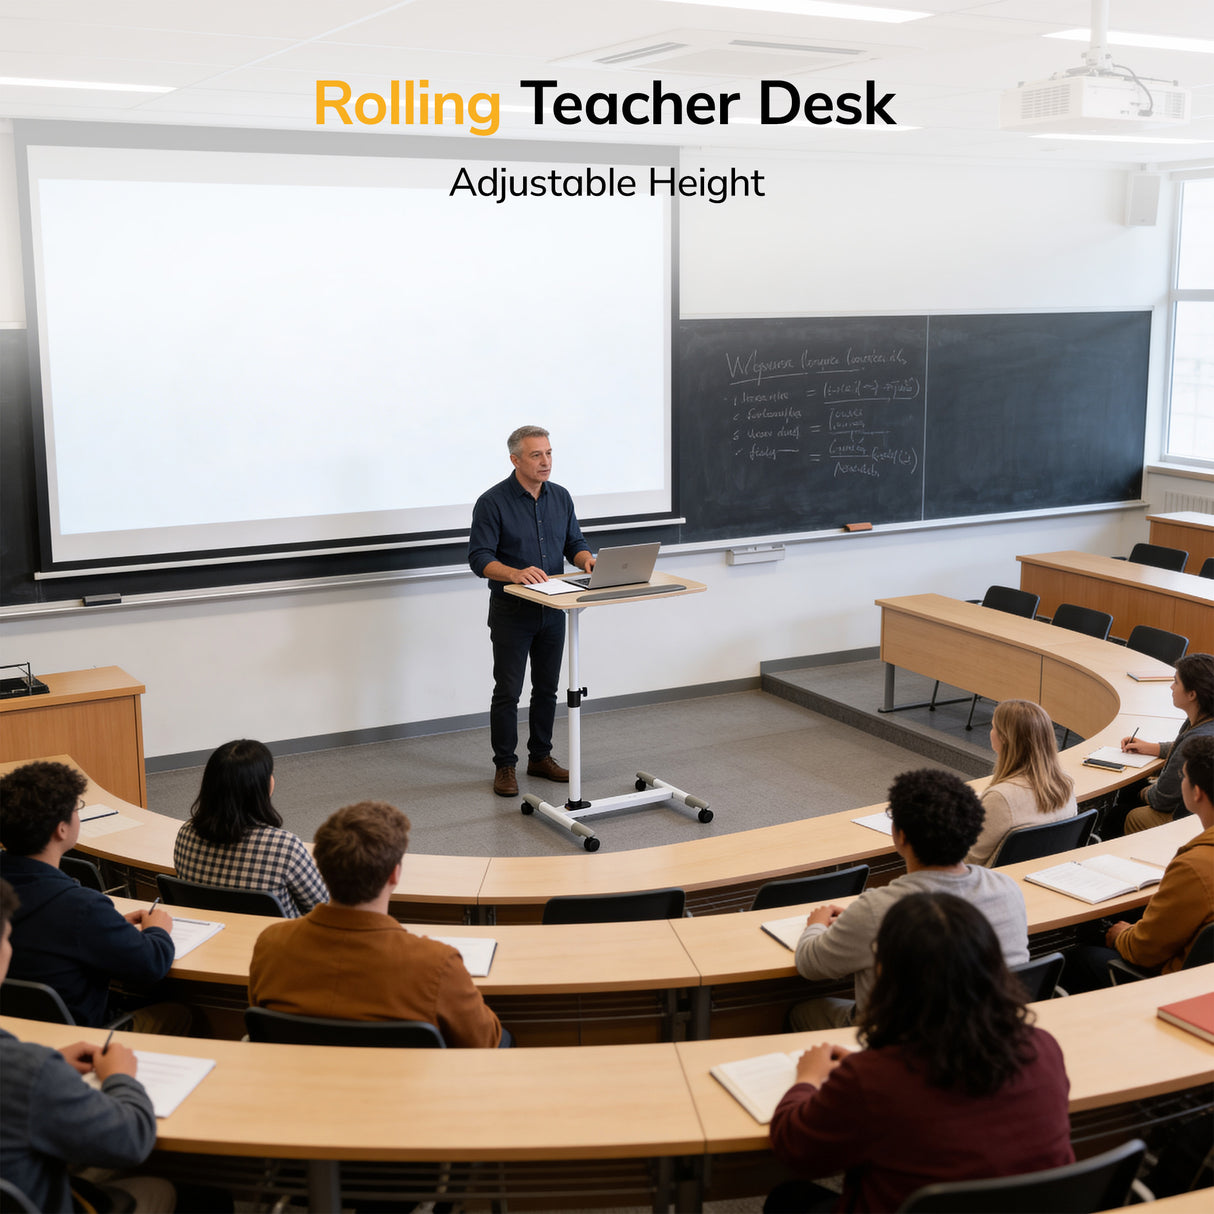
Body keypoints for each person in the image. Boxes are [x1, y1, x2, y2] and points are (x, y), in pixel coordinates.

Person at [768, 893, 1073, 1214]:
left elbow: (795, 1148)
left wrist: (807, 1080)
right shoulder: (1042, 1046)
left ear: (888, 976)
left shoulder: (872, 1079)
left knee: (788, 1199)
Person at [249, 800, 504, 1048]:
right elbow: (485, 1041)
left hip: (297, 1085)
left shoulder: (271, 944)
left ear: (323, 870)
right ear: (395, 874)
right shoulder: (438, 965)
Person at [789, 768, 1028, 1030]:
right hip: (988, 1029)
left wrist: (816, 924)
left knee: (802, 1012)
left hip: (898, 1041)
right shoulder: (1007, 888)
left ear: (900, 835)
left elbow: (810, 964)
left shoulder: (878, 910)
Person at [0, 877, 175, 1214]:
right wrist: (119, 1078)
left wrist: (46, 1063)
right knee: (161, 1187)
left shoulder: (28, 1066)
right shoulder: (28, 1072)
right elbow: (132, 1138)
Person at [468, 424, 596, 798]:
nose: (546, 462)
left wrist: (587, 560)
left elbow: (574, 542)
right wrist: (514, 573)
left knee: (546, 689)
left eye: (550, 453)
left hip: (555, 608)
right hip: (513, 611)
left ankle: (540, 757)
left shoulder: (561, 497)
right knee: (508, 691)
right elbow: (479, 558)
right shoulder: (492, 502)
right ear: (515, 459)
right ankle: (504, 766)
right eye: (537, 455)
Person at [0, 761, 176, 1029]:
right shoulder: (81, 907)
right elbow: (151, 965)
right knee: (179, 1013)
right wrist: (158, 931)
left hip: (13, 1032)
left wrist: (109, 925)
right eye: (76, 810)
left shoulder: (81, 910)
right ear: (61, 829)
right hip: (82, 1037)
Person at [1062, 733, 1214, 992]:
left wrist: (1120, 934)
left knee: (1076, 959)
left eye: (1184, 777)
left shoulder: (1194, 866)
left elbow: (1143, 951)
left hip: (1174, 986)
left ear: (1197, 793)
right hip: (1202, 978)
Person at [173, 739, 328, 917]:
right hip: (274, 942)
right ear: (260, 787)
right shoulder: (285, 848)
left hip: (212, 939)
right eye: (271, 774)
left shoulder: (186, 834)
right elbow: (324, 910)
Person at [966, 699, 1078, 866]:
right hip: (1043, 876)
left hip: (987, 886)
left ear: (1004, 738)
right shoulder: (1065, 784)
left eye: (993, 727)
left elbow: (969, 861)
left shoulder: (1001, 798)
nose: (991, 732)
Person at [1116, 652, 1214, 834]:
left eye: (1176, 682)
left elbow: (1161, 799)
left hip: (1186, 818)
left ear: (1192, 694)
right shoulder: (1204, 719)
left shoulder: (1196, 739)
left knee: (1126, 808)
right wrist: (1152, 748)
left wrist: (1141, 792)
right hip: (1196, 807)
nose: (1171, 687)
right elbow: (1183, 748)